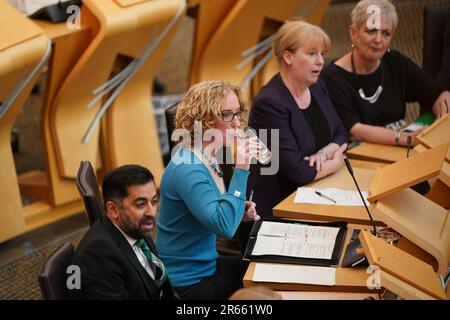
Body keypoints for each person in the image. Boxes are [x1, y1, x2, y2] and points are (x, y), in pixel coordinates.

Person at [155, 80, 260, 300]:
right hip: (188, 284)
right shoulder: (187, 167)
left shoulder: (208, 157)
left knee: (264, 269)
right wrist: (241, 169)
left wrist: (239, 212)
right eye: (227, 115)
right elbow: (224, 227)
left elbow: (214, 213)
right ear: (203, 121)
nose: (237, 122)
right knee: (264, 284)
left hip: (206, 265)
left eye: (238, 113)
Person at [249, 19, 348, 219]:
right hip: (280, 209)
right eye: (312, 54)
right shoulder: (269, 105)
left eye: (322, 54)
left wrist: (324, 151)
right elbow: (297, 172)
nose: (320, 61)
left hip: (317, 190)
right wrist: (335, 161)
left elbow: (341, 132)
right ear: (288, 57)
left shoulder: (317, 86)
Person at [321, 0, 450, 147]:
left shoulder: (395, 61)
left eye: (386, 33)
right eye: (371, 31)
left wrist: (442, 123)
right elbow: (353, 130)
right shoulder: (331, 77)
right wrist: (404, 138)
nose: (378, 40)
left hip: (401, 147)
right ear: (353, 33)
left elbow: (438, 94)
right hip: (359, 153)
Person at [71, 165, 176, 300]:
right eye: (140, 204)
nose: (152, 212)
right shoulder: (98, 255)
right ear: (113, 209)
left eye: (154, 201)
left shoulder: (135, 228)